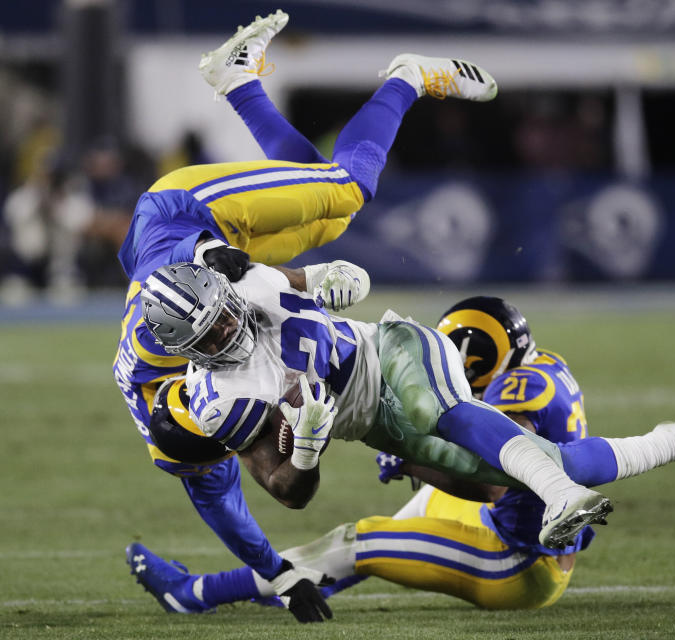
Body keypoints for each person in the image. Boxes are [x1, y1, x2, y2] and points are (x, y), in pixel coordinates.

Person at [115, 9, 500, 622]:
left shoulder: (165, 322)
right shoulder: (189, 444)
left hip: (183, 219)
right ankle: (239, 82)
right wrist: (279, 572)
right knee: (332, 214)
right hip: (206, 257)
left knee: (347, 186)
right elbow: (223, 508)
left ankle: (409, 77)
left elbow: (172, 261)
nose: (229, 352)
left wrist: (276, 271)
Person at [128, 295, 675, 611]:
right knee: (526, 457)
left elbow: (494, 490)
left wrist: (409, 463)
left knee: (359, 540)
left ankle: (199, 593)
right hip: (527, 517)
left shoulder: (514, 392)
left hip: (517, 555)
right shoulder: (544, 368)